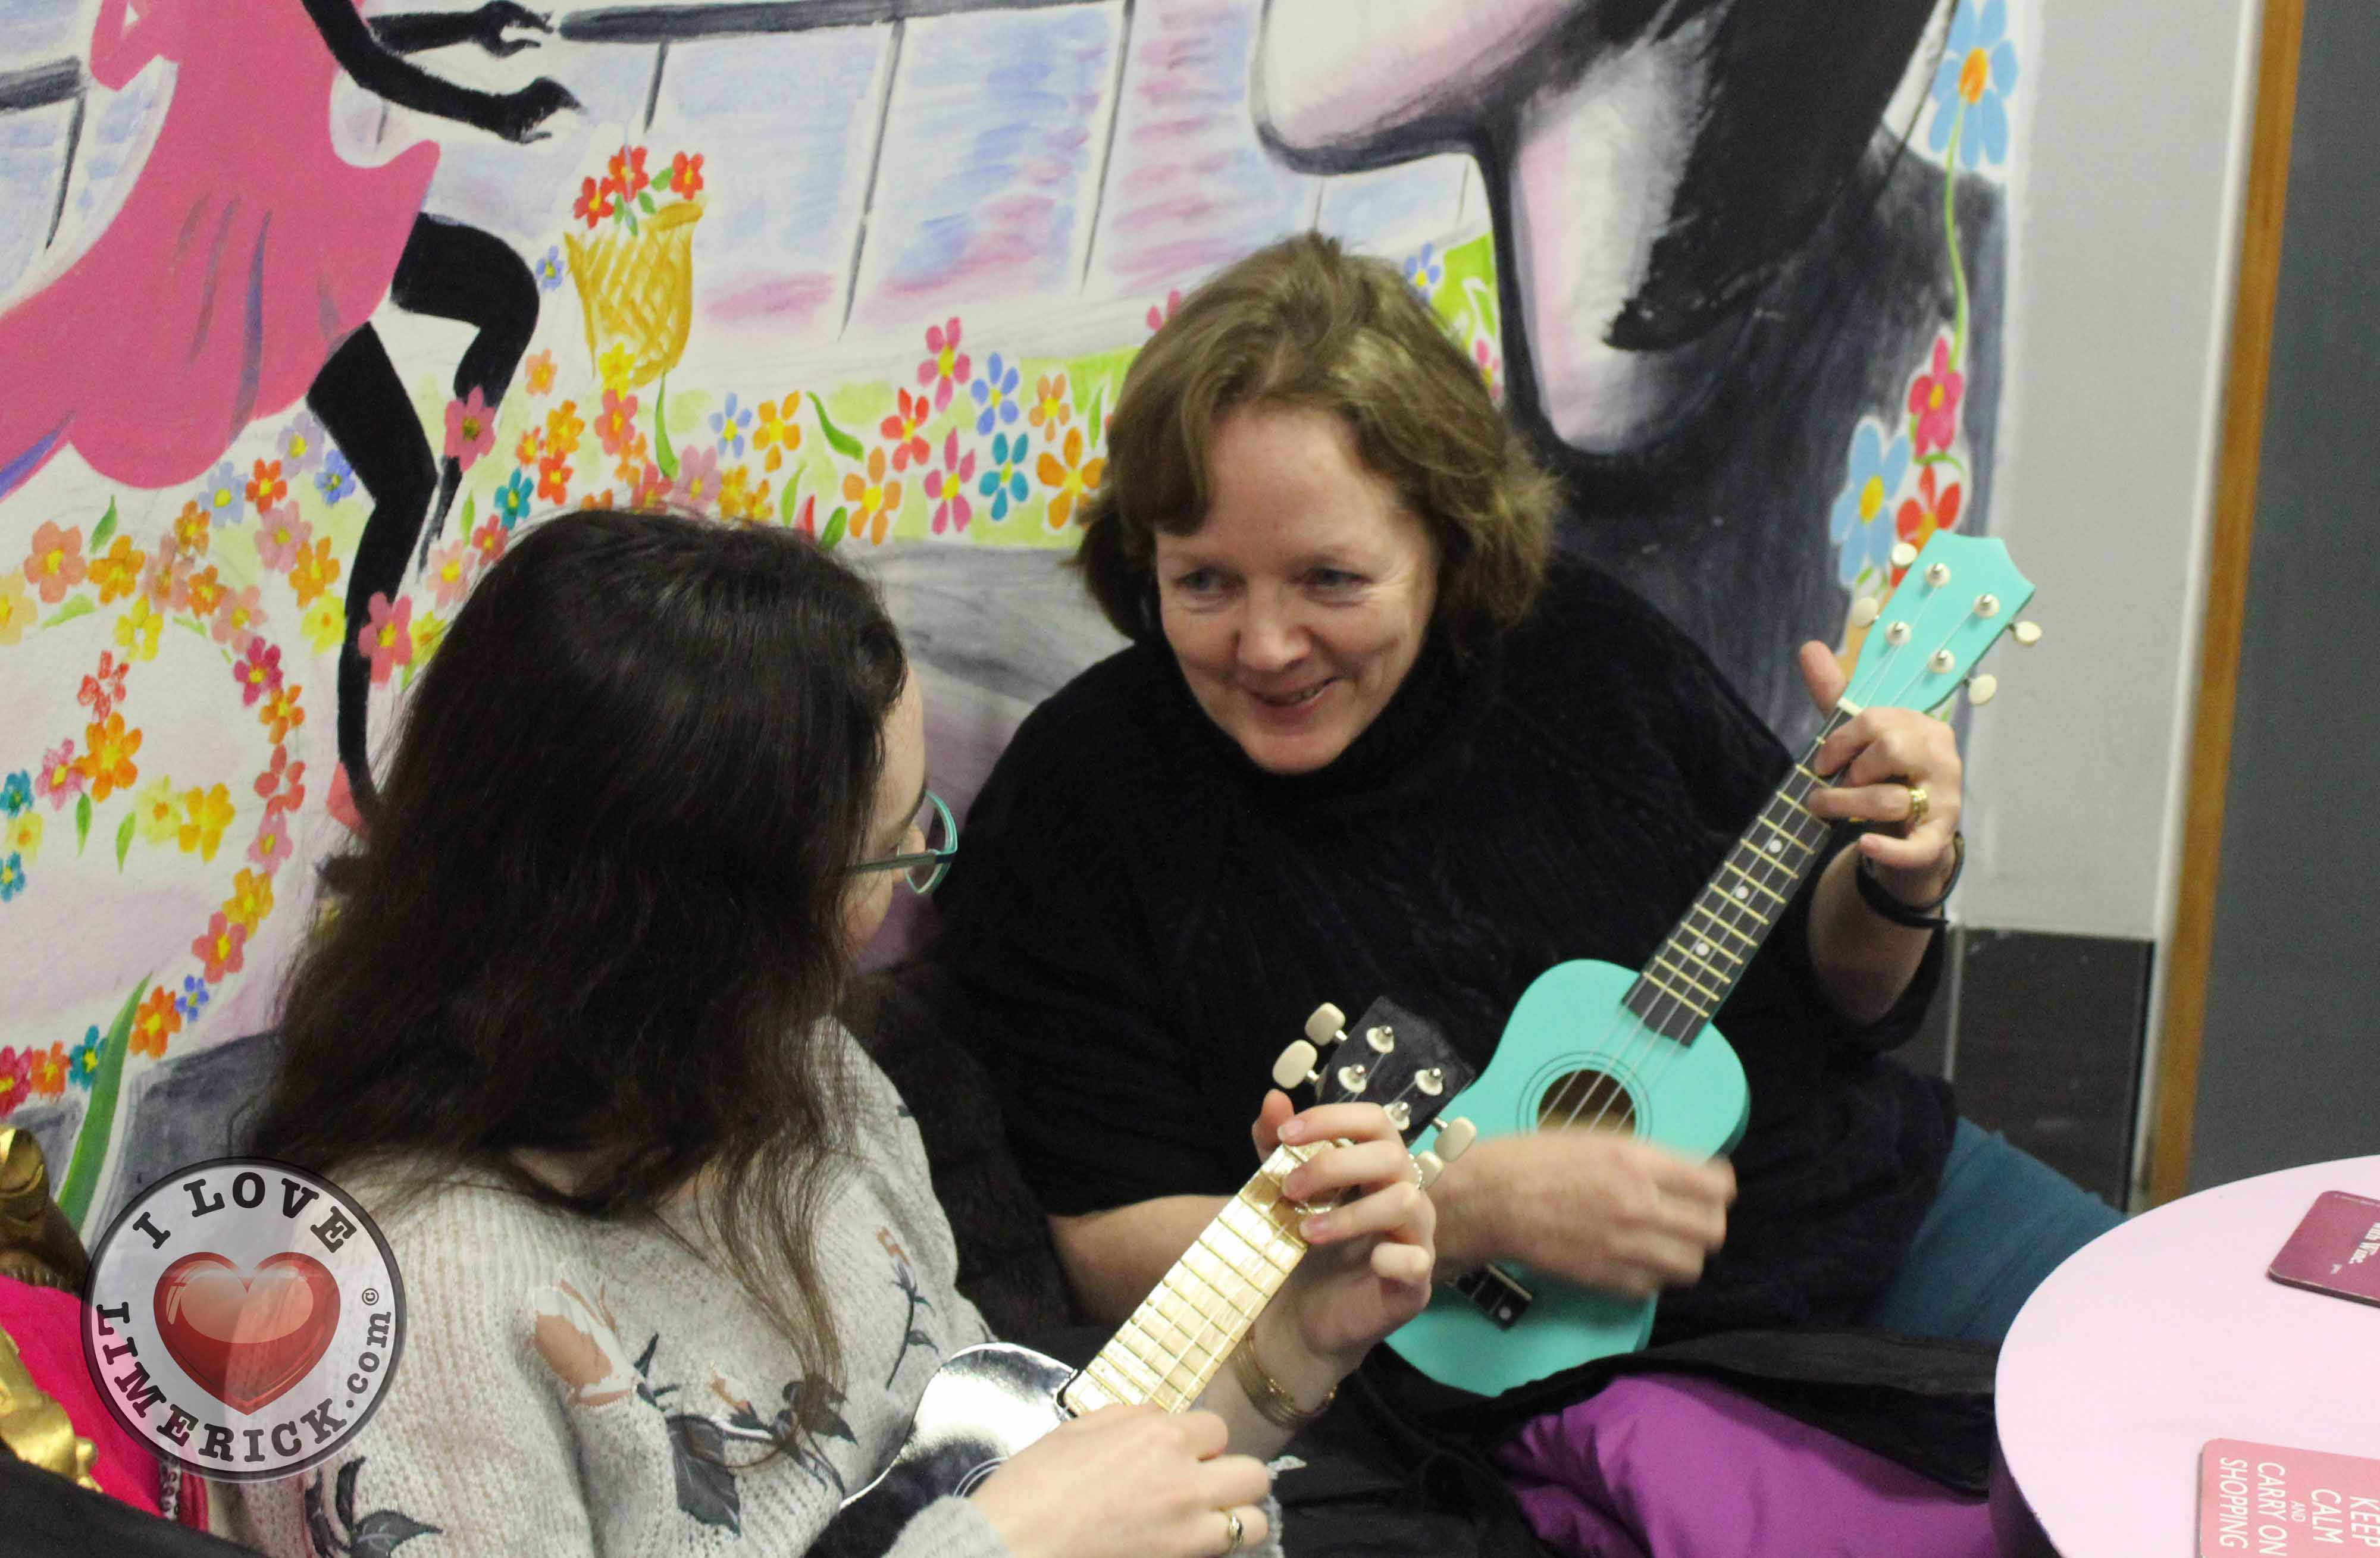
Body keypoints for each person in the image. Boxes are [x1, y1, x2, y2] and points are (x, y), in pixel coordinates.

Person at [931, 235, 2119, 1546]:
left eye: (1330, 579)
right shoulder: (1084, 804)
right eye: (1202, 581)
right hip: (1558, 1376)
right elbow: (1108, 1242)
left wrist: (1898, 879)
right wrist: (1449, 1217)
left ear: (1445, 538)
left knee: (2231, 1395)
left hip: (1876, 1201)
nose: (1264, 644)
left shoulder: (1577, 647)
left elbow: (1834, 995)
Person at [226, 509, 1437, 1558]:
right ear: (713, 916)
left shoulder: (799, 1069)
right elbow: (1007, 1525)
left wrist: (1283, 1346)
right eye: (891, 844)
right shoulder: (387, 1305)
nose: (903, 890)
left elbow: (1016, 1470)